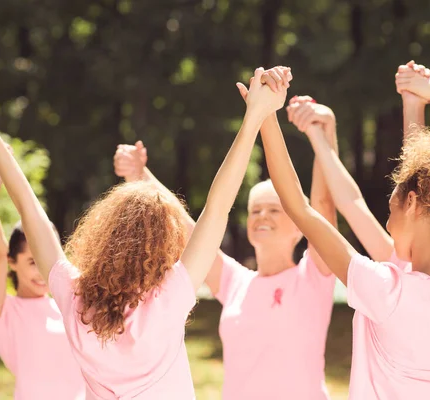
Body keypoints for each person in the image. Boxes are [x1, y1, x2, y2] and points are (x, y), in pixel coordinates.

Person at [0, 66, 290, 399]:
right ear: (166, 245)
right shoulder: (170, 297)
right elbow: (217, 209)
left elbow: (29, 209)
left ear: (102, 235)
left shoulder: (72, 295)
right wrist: (254, 117)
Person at [255, 68, 430, 399]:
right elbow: (423, 190)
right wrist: (421, 102)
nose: (386, 224)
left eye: (389, 212)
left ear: (413, 204)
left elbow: (300, 210)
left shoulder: (389, 292)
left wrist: (264, 114)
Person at [114, 70, 337, 398]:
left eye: (274, 209)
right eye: (255, 209)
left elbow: (324, 207)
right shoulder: (236, 283)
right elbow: (191, 229)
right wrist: (140, 175)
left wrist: (323, 134)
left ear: (299, 226)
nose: (261, 216)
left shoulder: (314, 276)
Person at [0, 161, 85, 399]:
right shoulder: (2, 310)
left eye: (43, 259)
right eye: (31, 261)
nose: (41, 271)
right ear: (12, 261)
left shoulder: (68, 302)